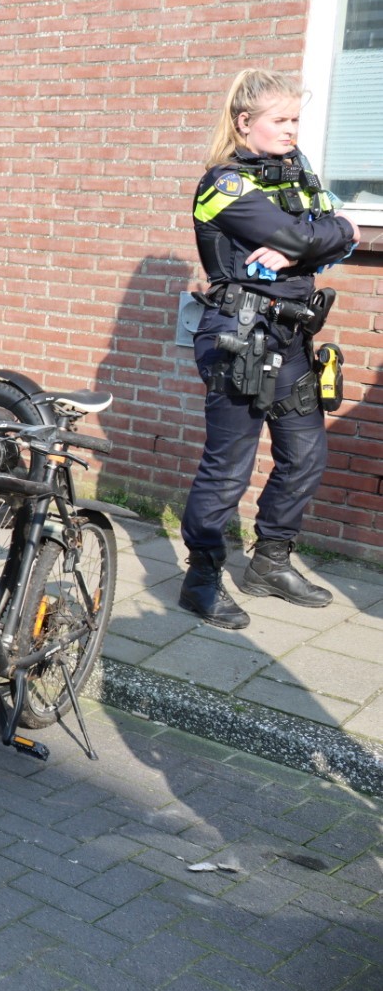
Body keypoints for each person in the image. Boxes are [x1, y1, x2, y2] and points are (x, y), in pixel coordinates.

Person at [179, 69, 358, 629]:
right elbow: (317, 233)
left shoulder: (295, 173)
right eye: (279, 120)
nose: (291, 129)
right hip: (239, 337)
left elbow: (342, 232)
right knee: (229, 467)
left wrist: (307, 245)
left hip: (291, 336)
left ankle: (270, 563)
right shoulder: (223, 184)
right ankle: (201, 579)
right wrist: (314, 239)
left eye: (295, 119)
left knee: (305, 454)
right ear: (244, 122)